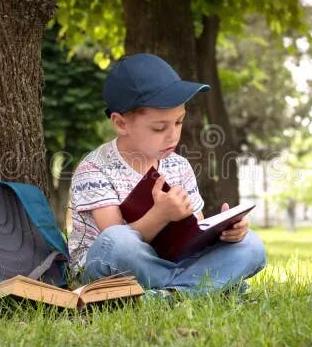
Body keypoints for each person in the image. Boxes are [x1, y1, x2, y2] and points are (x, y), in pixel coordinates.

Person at [67, 53, 266, 295]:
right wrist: (160, 215)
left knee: (252, 245)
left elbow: (194, 233)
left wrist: (222, 232)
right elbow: (114, 241)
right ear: (121, 124)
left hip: (169, 262)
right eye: (159, 127)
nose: (173, 135)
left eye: (179, 122)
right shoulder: (94, 169)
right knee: (119, 241)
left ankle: (170, 294)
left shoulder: (178, 166)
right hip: (109, 266)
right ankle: (207, 286)